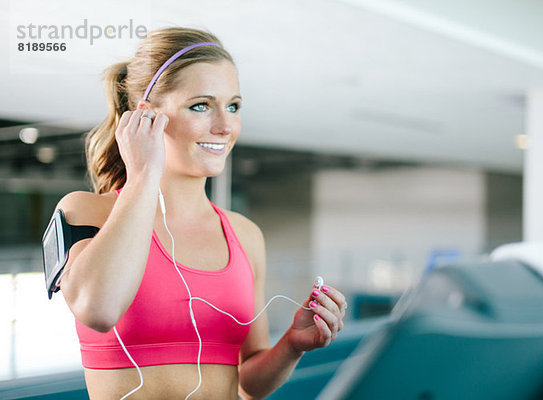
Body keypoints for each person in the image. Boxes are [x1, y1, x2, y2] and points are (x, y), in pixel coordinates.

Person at [54, 26, 347, 399]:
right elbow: (98, 308)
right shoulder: (86, 211)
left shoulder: (245, 235)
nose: (225, 126)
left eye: (234, 106)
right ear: (147, 116)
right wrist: (143, 173)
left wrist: (292, 345)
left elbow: (248, 382)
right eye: (201, 105)